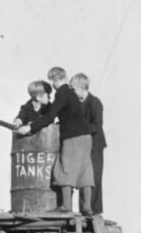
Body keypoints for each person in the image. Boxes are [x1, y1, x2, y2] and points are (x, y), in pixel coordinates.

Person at [18, 66, 94, 215]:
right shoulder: (72, 94)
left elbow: (49, 117)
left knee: (64, 168)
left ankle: (65, 206)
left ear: (53, 80)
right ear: (65, 77)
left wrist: (31, 127)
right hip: (86, 137)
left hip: (72, 136)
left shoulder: (62, 93)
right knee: (85, 170)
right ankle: (87, 207)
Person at [69, 73, 107, 215]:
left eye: (73, 89)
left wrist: (77, 129)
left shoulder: (95, 102)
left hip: (95, 146)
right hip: (81, 146)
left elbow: (97, 126)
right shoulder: (76, 104)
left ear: (82, 88)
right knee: (82, 179)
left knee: (94, 178)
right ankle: (84, 210)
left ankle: (95, 212)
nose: (71, 92)